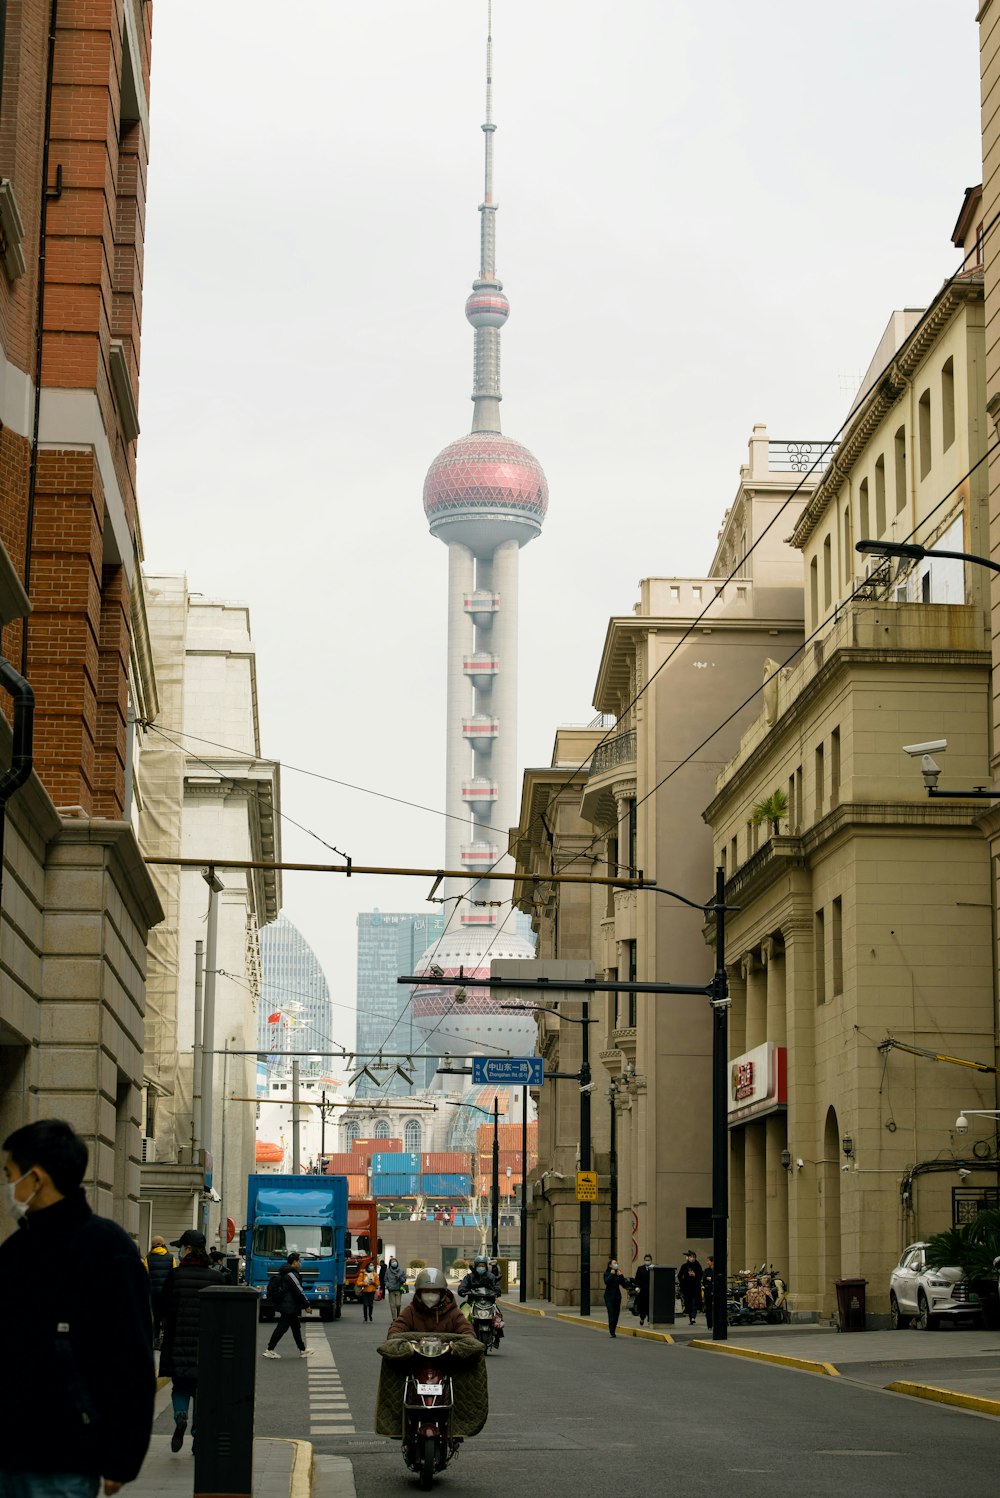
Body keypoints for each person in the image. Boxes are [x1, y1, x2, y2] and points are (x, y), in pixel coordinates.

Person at [0, 1117, 156, 1496]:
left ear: (35, 1179)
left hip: (65, 1458)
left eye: (10, 1174)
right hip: (7, 1453)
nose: (8, 1186)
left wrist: (122, 1456)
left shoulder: (106, 1248)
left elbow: (132, 1359)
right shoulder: (14, 1252)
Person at [159, 1228, 228, 1451]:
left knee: (180, 1386)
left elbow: (164, 1307)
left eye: (181, 1248)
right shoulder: (216, 1277)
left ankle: (180, 1417)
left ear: (187, 1249)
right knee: (203, 1392)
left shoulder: (176, 1275)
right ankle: (198, 1437)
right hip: (207, 1345)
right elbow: (224, 1314)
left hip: (178, 1342)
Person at [388, 1266, 477, 1338]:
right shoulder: (411, 1311)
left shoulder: (453, 1312)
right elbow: (398, 1326)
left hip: (447, 1359)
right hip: (416, 1358)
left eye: (435, 1292)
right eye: (426, 1292)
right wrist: (394, 1337)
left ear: (442, 1294)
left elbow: (466, 1329)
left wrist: (467, 1340)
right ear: (419, 1293)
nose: (430, 1296)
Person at [263, 1250, 312, 1359]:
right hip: (289, 1306)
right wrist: (307, 1304)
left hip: (289, 1305)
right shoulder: (291, 1274)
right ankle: (270, 1349)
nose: (300, 1263)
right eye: (299, 1261)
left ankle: (302, 1350)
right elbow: (298, 1290)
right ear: (294, 1262)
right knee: (282, 1328)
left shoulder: (285, 1272)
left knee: (295, 1327)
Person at [143, 1235, 176, 1348]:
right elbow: (174, 1275)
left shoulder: (148, 1258)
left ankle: (156, 1339)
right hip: (167, 1293)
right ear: (163, 1244)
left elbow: (145, 1277)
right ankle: (165, 1339)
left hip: (154, 1293)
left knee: (156, 1317)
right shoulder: (171, 1258)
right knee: (166, 1316)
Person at [603, 1258, 627, 1338]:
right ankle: (612, 1331)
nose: (615, 1264)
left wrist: (621, 1275)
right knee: (611, 1313)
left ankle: (614, 1328)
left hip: (617, 1296)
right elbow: (607, 1282)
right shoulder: (607, 1273)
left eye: (616, 1263)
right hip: (609, 1296)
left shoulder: (618, 1274)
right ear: (610, 1265)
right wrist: (611, 1274)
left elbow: (624, 1285)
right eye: (614, 1263)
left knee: (616, 1314)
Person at [678, 1249, 703, 1324]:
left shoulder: (697, 1265)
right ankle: (690, 1317)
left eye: (693, 1257)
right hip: (687, 1288)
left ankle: (693, 1317)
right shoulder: (684, 1266)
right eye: (690, 1257)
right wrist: (683, 1283)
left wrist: (695, 1275)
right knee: (688, 1302)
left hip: (695, 1287)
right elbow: (679, 1276)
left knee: (694, 1302)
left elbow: (701, 1275)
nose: (692, 1258)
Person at [384, 1255, 407, 1319]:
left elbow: (404, 1280)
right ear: (390, 1264)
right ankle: (394, 1319)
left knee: (398, 1304)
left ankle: (398, 1315)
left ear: (397, 1263)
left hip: (398, 1289)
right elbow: (385, 1280)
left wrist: (400, 1278)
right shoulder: (388, 1271)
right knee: (392, 1305)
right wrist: (388, 1285)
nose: (394, 1263)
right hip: (391, 1290)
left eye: (395, 1261)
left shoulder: (401, 1271)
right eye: (392, 1262)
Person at [633, 1252, 653, 1326]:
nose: (647, 1261)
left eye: (649, 1260)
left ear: (651, 1260)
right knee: (642, 1306)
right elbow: (637, 1279)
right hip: (642, 1291)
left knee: (649, 1306)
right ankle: (642, 1318)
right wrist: (637, 1287)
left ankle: (649, 1319)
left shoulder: (653, 1268)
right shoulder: (640, 1268)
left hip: (650, 1291)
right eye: (646, 1260)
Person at [702, 1255, 715, 1330]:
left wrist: (710, 1279)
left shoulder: (715, 1270)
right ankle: (709, 1325)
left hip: (714, 1291)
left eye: (708, 1261)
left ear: (712, 1262)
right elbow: (704, 1279)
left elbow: (714, 1278)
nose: (707, 1262)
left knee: (714, 1308)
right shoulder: (706, 1270)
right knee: (708, 1309)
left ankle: (714, 1323)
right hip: (707, 1291)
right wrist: (709, 1279)